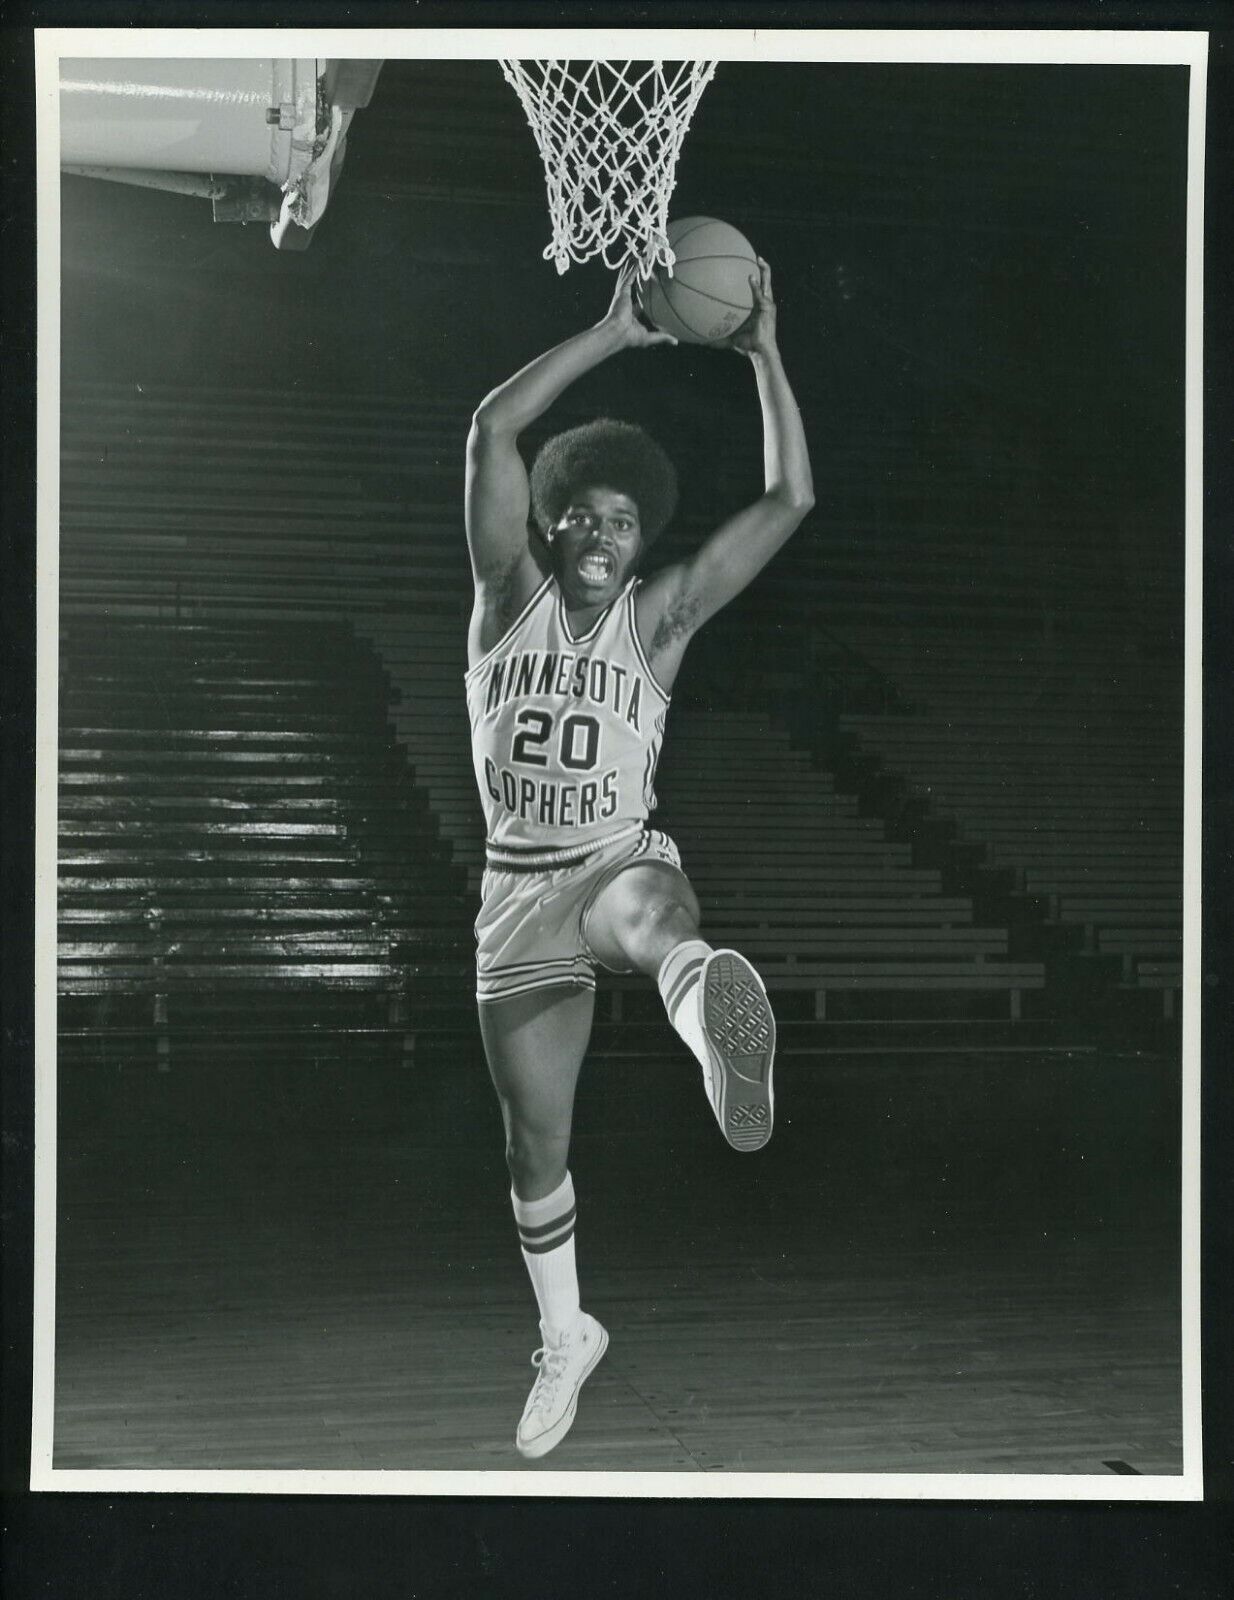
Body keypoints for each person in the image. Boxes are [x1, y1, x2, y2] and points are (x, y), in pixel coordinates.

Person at [464, 257, 814, 1459]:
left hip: (609, 858)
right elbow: (491, 427)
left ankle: (712, 1029)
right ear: (550, 523)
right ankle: (568, 1336)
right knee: (534, 1145)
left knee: (656, 909)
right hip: (517, 891)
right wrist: (613, 331)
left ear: (639, 533)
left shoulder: (657, 621)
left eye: (624, 520)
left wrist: (763, 352)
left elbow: (786, 504)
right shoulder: (503, 592)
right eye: (583, 515)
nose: (602, 532)